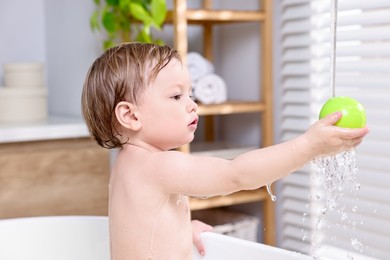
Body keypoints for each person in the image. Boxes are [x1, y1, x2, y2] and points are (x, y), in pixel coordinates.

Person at [81, 42, 369, 260]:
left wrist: (182, 232)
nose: (192, 104)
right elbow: (236, 174)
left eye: (190, 93)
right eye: (176, 96)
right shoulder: (158, 166)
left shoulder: (127, 164)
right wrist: (309, 146)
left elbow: (140, 230)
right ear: (131, 116)